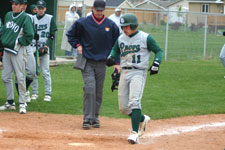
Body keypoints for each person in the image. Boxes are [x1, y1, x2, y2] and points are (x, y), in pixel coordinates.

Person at [106, 13, 163, 144]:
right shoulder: (121, 39)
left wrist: (156, 63)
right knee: (124, 108)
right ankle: (142, 118)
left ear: (133, 25)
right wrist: (111, 57)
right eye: (122, 27)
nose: (124, 29)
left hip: (138, 72)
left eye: (126, 26)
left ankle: (134, 133)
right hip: (124, 72)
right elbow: (115, 50)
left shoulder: (145, 37)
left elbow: (159, 51)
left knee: (134, 101)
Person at [66, 0, 120, 129]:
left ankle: (95, 117)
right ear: (93, 9)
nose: (99, 13)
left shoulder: (111, 25)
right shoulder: (82, 22)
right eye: (97, 10)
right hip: (87, 61)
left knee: (98, 91)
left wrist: (117, 63)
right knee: (89, 88)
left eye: (102, 10)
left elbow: (117, 45)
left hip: (102, 62)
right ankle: (87, 118)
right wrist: (78, 45)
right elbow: (71, 35)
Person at [0, 0, 34, 114]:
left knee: (20, 77)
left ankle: (22, 103)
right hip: (7, 50)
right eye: (13, 4)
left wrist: (18, 41)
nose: (13, 6)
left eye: (16, 4)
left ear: (22, 6)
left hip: (18, 51)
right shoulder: (8, 15)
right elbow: (5, 29)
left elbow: (30, 35)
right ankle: (10, 102)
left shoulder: (25, 17)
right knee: (5, 76)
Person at [30, 0, 57, 102]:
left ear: (45, 9)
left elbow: (52, 34)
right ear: (36, 9)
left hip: (43, 47)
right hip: (32, 47)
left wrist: (47, 45)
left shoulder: (50, 18)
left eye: (42, 8)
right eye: (38, 8)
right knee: (34, 72)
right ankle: (35, 93)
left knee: (45, 72)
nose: (40, 10)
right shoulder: (31, 18)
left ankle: (47, 94)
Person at [14, 0, 36, 103]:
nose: (22, 6)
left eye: (24, 4)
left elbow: (32, 33)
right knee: (18, 74)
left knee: (32, 72)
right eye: (19, 4)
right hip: (16, 47)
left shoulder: (30, 17)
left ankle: (25, 89)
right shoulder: (11, 16)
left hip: (27, 46)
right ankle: (22, 97)